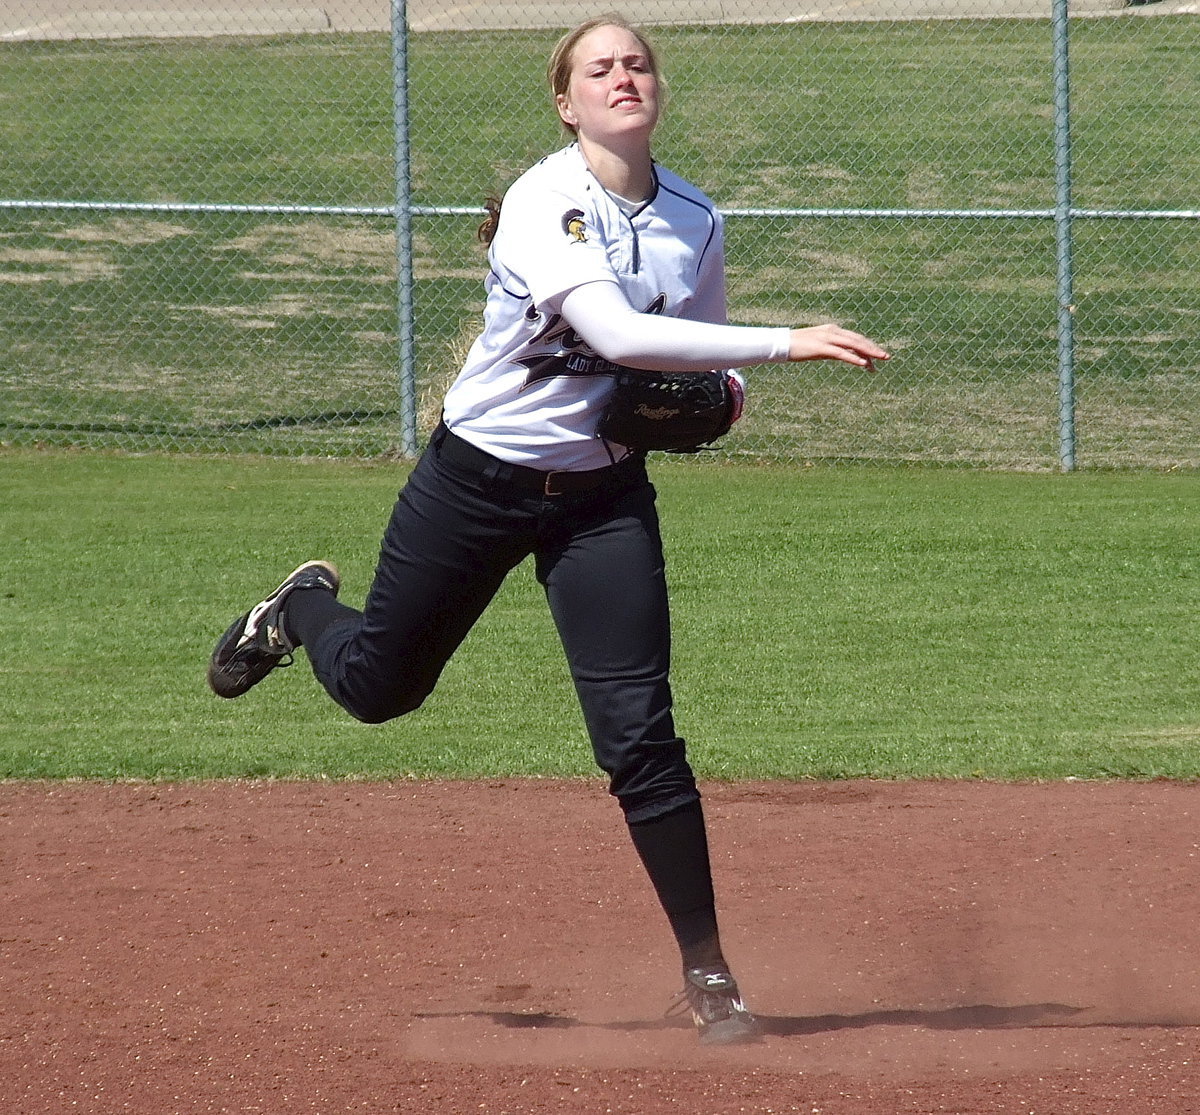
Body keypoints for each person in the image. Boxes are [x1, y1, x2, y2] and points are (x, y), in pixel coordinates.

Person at [207, 14, 889, 1046]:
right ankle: (300, 608)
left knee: (641, 736)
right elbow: (614, 330)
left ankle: (710, 976)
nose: (623, 75)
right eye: (598, 67)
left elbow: (707, 360)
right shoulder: (546, 199)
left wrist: (728, 399)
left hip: (602, 500)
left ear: (658, 90)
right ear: (567, 104)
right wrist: (790, 341)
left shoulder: (695, 219)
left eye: (637, 62)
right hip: (477, 480)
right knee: (381, 689)